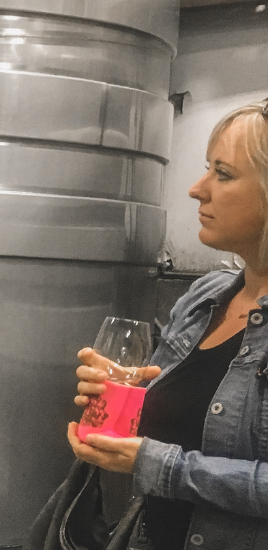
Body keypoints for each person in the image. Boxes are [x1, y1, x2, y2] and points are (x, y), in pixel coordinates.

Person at [69, 98, 268, 549]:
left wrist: (162, 466)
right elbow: (161, 423)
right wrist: (118, 394)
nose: (198, 189)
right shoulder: (204, 298)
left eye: (223, 173)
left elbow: (164, 462)